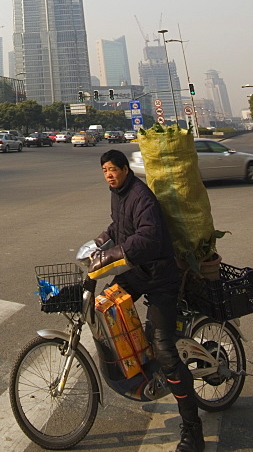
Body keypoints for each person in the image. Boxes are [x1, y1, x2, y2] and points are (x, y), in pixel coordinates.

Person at [87, 149, 204, 452]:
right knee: (107, 307)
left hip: (162, 277)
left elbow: (149, 237)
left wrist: (112, 254)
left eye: (113, 169)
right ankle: (139, 364)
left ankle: (193, 431)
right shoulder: (119, 194)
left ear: (126, 169)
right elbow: (120, 226)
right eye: (105, 171)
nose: (109, 175)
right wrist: (99, 242)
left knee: (165, 350)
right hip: (137, 272)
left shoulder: (142, 195)